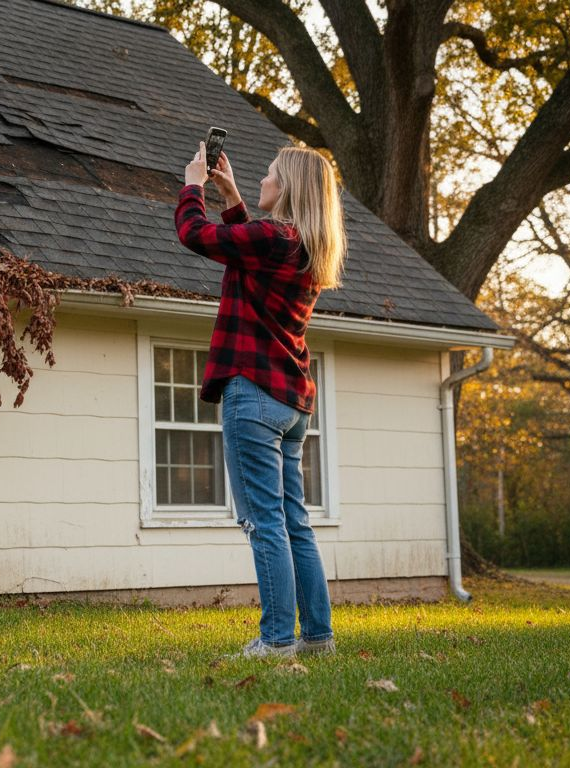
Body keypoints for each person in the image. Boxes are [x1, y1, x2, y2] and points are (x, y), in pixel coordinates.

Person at [175, 142, 346, 659]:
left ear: (288, 188)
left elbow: (195, 234)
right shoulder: (305, 247)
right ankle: (317, 637)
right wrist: (231, 196)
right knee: (295, 522)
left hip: (251, 392)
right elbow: (252, 252)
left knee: (264, 522)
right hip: (291, 403)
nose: (262, 180)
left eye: (269, 174)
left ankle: (276, 641)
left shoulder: (275, 237)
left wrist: (193, 186)